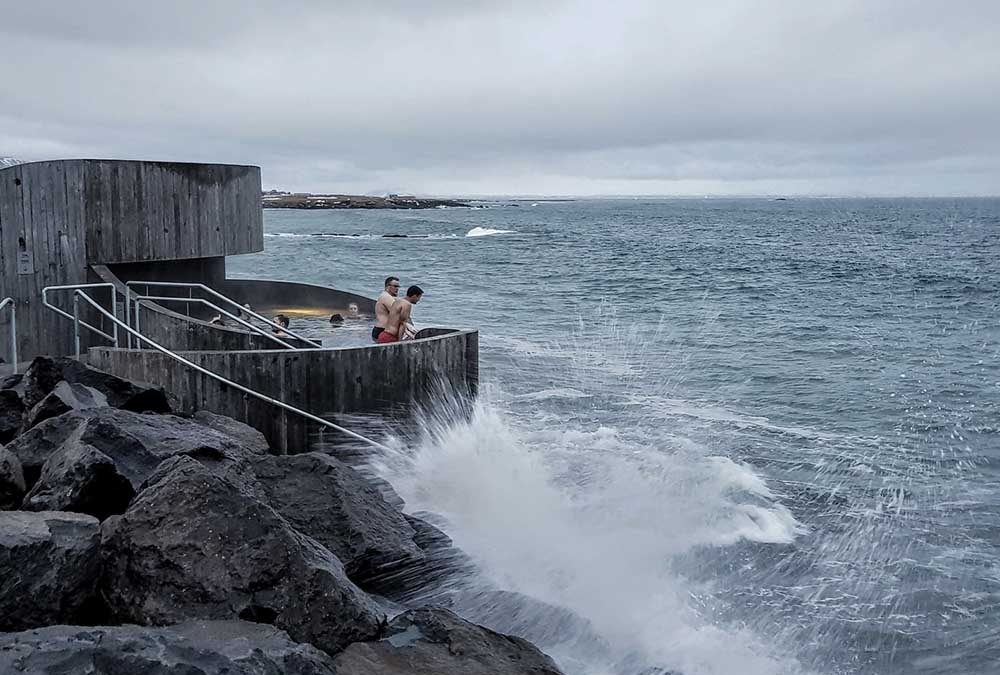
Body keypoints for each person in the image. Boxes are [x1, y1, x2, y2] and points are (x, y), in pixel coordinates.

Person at [372, 276, 400, 342]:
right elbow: (398, 314)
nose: (397, 289)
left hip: (379, 330)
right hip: (382, 330)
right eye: (395, 286)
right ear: (388, 286)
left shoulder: (384, 296)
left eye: (398, 287)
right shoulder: (386, 297)